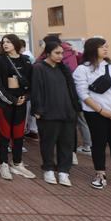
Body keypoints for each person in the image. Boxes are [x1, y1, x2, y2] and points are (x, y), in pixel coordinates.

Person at [73, 37, 111, 192]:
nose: (106, 49)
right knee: (98, 143)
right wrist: (101, 110)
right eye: (102, 47)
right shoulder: (82, 69)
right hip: (95, 113)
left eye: (107, 46)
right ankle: (100, 174)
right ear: (92, 49)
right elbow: (83, 94)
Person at [30, 41, 80, 187]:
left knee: (67, 143)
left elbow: (71, 89)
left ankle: (64, 171)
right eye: (57, 53)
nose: (60, 56)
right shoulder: (38, 68)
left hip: (67, 112)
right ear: (48, 53)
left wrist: (74, 108)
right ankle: (49, 168)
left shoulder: (63, 68)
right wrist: (37, 109)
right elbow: (36, 90)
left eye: (62, 53)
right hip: (48, 113)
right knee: (48, 143)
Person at [0, 34, 36, 180]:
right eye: (3, 42)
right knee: (4, 134)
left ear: (16, 43)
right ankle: (3, 163)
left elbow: (32, 83)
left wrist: (25, 97)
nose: (5, 44)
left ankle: (17, 163)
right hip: (4, 104)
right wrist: (11, 100)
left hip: (21, 104)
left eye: (8, 42)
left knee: (18, 134)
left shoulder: (26, 60)